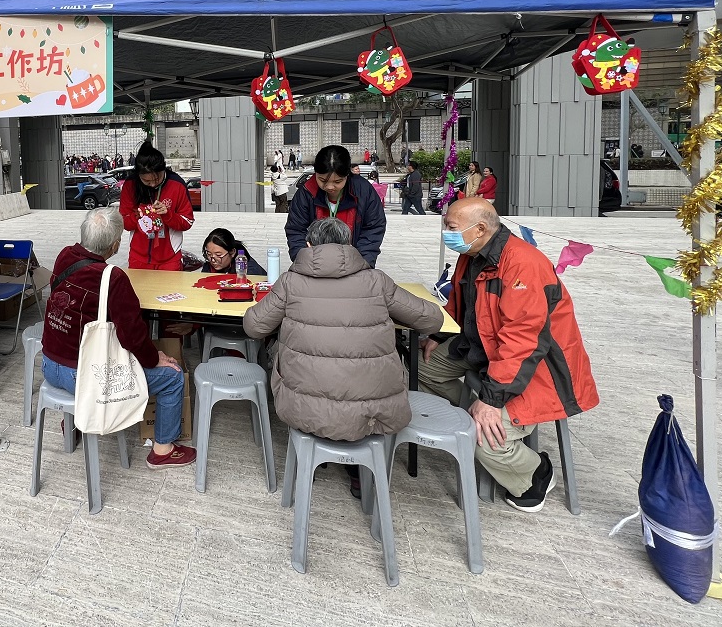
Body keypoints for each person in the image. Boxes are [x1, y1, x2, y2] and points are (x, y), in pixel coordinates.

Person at [418, 198, 599, 512]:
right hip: (482, 348)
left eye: (451, 227)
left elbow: (522, 341)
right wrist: (438, 334)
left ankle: (534, 475)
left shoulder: (523, 264)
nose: (446, 233)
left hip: (535, 368)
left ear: (480, 229)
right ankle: (469, 410)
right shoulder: (471, 254)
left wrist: (491, 400)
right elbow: (460, 305)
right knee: (420, 367)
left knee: (482, 437)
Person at [244, 217, 442, 492]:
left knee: (279, 351)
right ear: (349, 244)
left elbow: (254, 327)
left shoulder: (290, 282)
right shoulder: (376, 281)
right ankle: (360, 473)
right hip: (372, 412)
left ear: (309, 245)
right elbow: (432, 320)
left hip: (304, 410)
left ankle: (309, 463)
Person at [42, 207, 195, 469]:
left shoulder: (65, 256)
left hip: (49, 365)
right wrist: (154, 358)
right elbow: (132, 337)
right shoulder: (112, 277)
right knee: (173, 377)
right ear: (115, 245)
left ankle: (74, 420)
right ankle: (163, 449)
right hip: (82, 377)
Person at [285, 144, 386, 266]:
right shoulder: (306, 193)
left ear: (347, 174)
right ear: (315, 173)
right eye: (322, 180)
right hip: (314, 266)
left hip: (354, 265)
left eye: (337, 181)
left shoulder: (363, 191)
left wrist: (362, 263)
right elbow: (296, 230)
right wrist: (305, 263)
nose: (329, 187)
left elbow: (374, 228)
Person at [119, 141, 194, 270]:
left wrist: (168, 214)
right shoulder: (130, 185)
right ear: (138, 175)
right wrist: (137, 215)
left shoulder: (177, 184)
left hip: (170, 258)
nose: (153, 184)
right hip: (138, 257)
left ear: (164, 169)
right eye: (146, 181)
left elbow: (187, 222)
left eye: (157, 178)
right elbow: (124, 222)